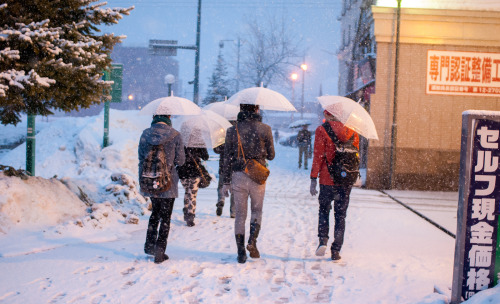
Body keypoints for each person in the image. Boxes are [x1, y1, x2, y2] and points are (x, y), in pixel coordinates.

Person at [222, 104, 275, 263]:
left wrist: (225, 182)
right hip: (257, 175)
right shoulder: (265, 129)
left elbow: (226, 158)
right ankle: (252, 240)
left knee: (240, 215)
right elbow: (271, 155)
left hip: (238, 174)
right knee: (257, 211)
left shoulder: (233, 130)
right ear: (256, 109)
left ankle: (240, 252)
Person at [309, 110, 359, 261]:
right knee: (340, 215)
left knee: (324, 210)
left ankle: (323, 240)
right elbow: (355, 157)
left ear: (329, 115)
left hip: (326, 178)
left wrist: (313, 178)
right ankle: (336, 249)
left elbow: (318, 156)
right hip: (345, 180)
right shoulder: (353, 131)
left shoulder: (321, 130)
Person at [138, 114, 185, 264]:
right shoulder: (175, 135)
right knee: (165, 216)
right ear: (168, 118)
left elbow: (140, 157)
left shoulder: (145, 134)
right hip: (168, 182)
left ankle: (149, 245)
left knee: (155, 213)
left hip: (150, 180)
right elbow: (181, 160)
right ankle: (160, 251)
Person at [177, 143, 209, 227]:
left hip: (182, 171)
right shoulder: (198, 141)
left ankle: (186, 210)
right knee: (192, 194)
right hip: (194, 171)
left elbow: (176, 157)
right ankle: (190, 216)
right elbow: (206, 157)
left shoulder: (181, 140)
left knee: (187, 191)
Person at [214, 120, 236, 218]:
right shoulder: (239, 134)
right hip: (235, 167)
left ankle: (221, 201)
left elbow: (216, 149)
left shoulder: (223, 133)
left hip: (224, 165)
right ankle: (233, 211)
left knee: (221, 186)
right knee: (235, 190)